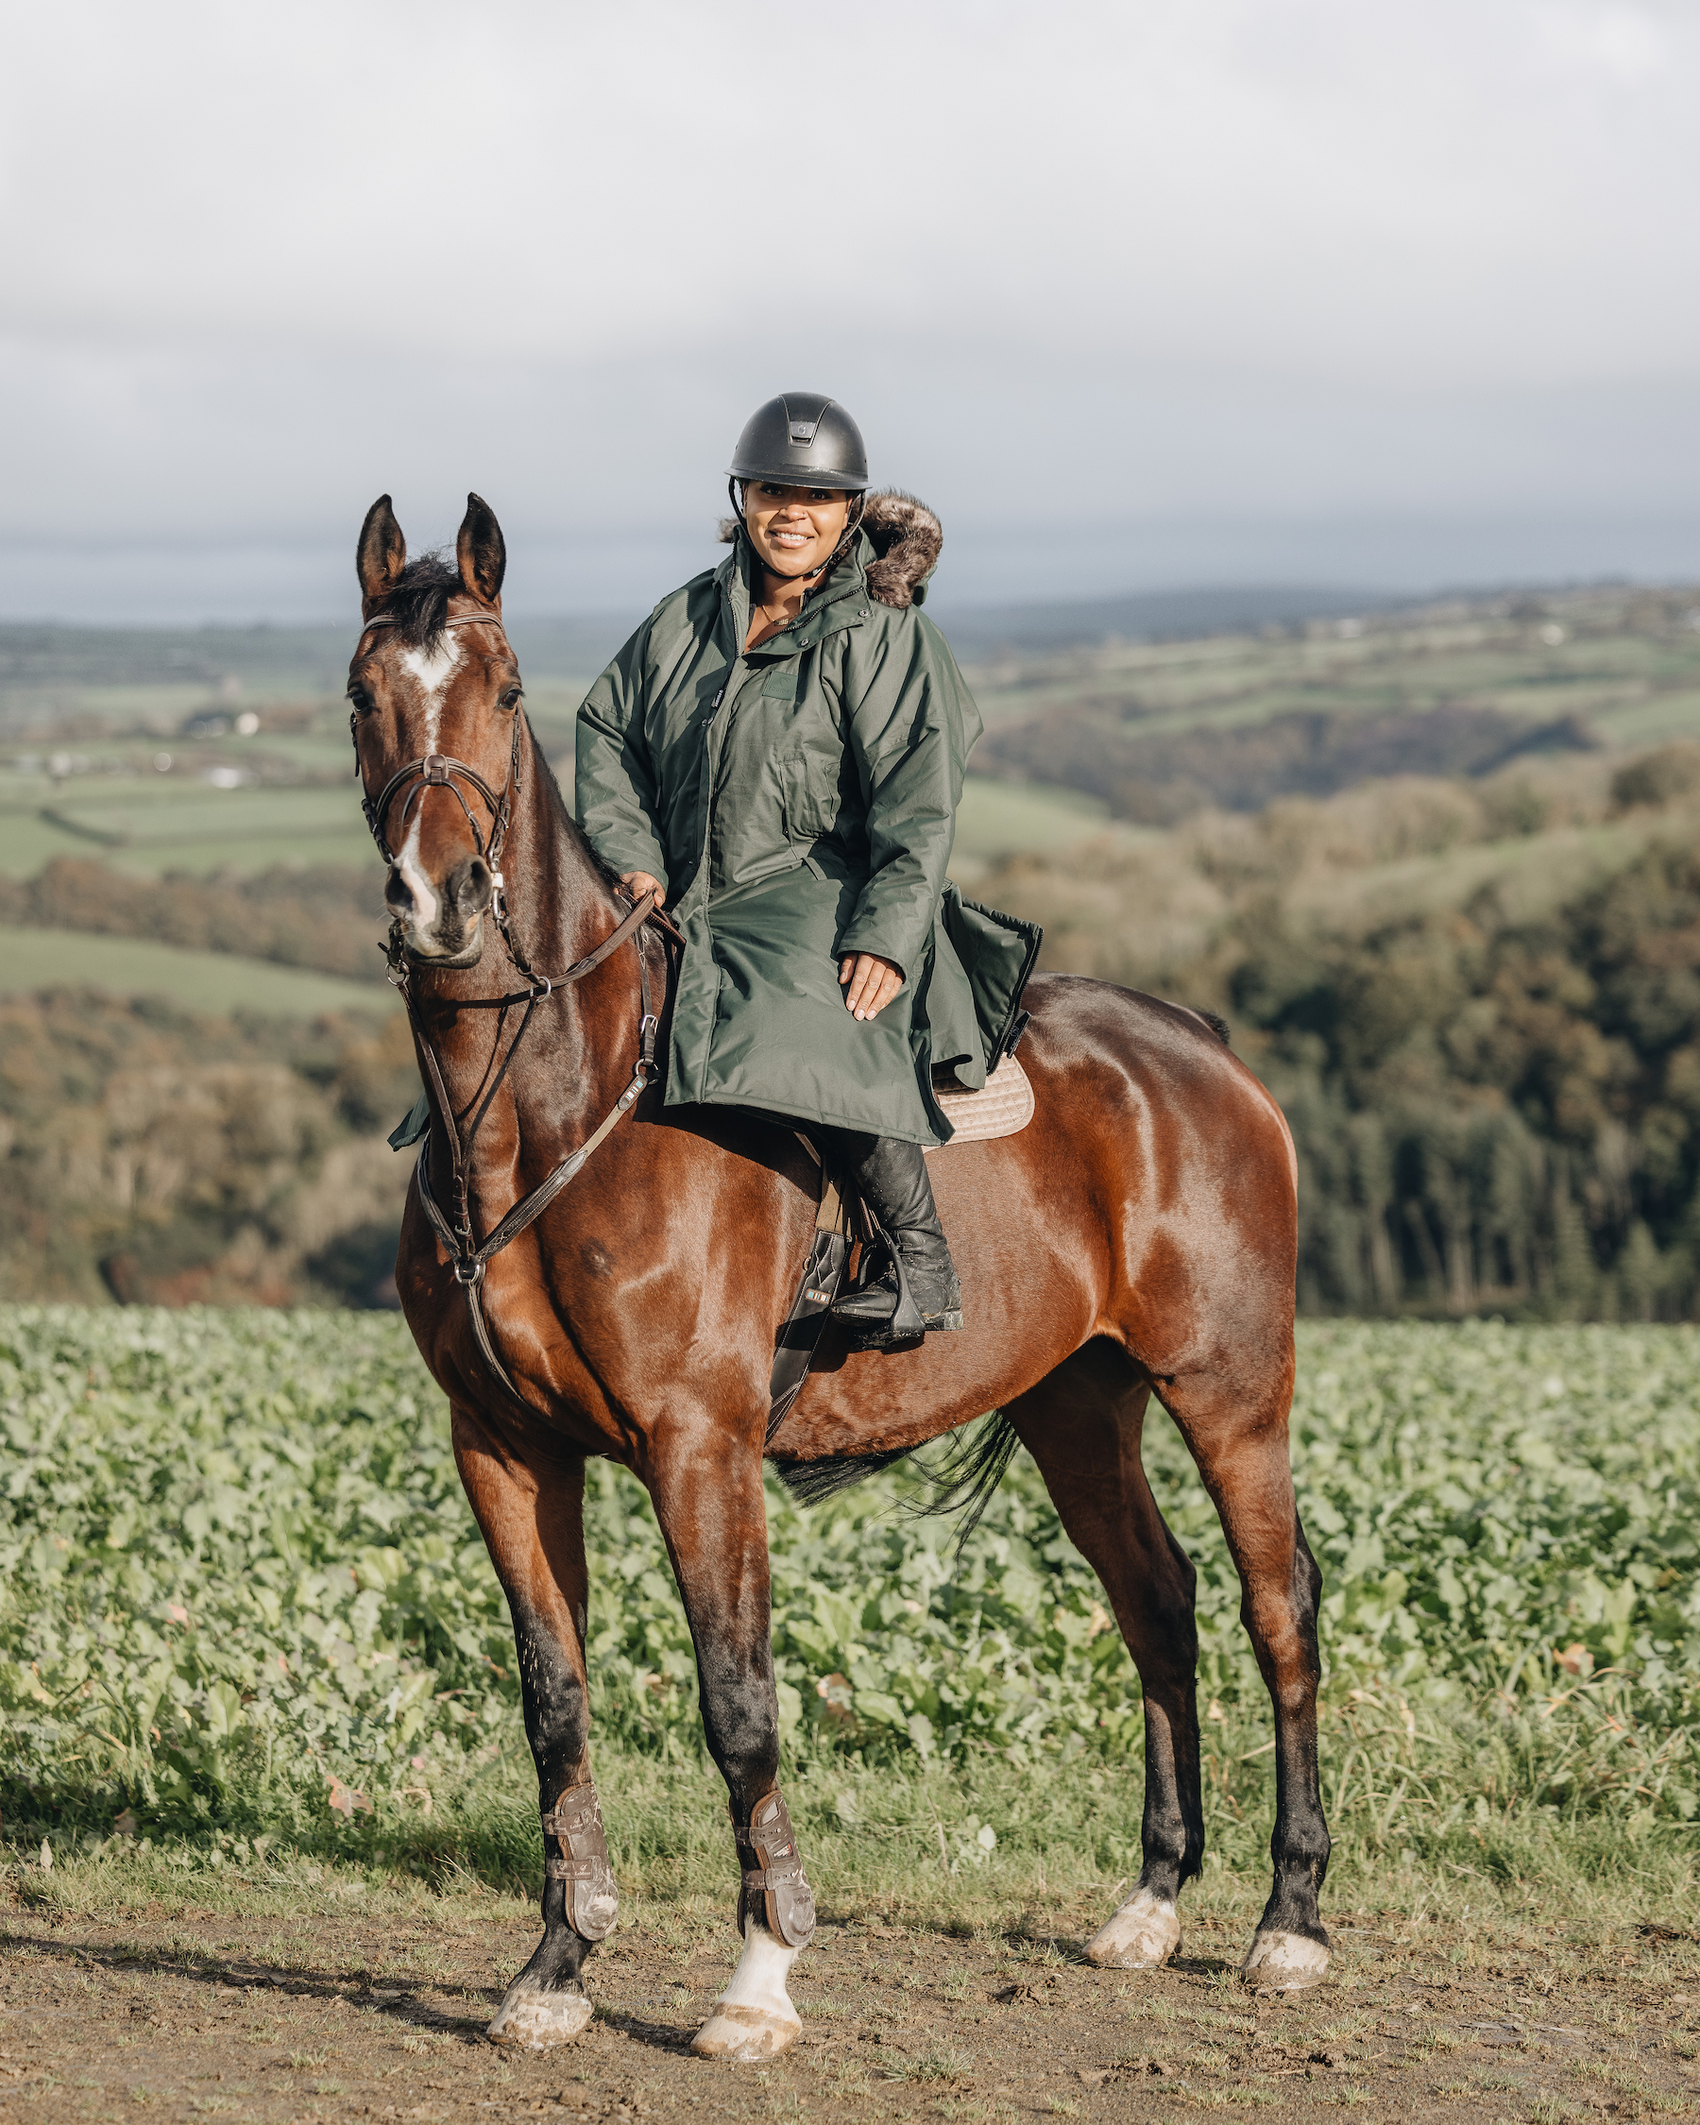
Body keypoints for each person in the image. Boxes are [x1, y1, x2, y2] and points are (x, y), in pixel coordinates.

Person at [575, 392, 1035, 1348]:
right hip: (681, 887)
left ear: (851, 512)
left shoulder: (883, 629)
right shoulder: (686, 615)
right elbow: (608, 730)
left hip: (824, 882)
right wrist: (631, 860)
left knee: (800, 1011)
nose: (794, 511)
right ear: (742, 499)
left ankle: (915, 1260)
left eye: (818, 497)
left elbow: (920, 802)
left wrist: (887, 937)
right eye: (776, 490)